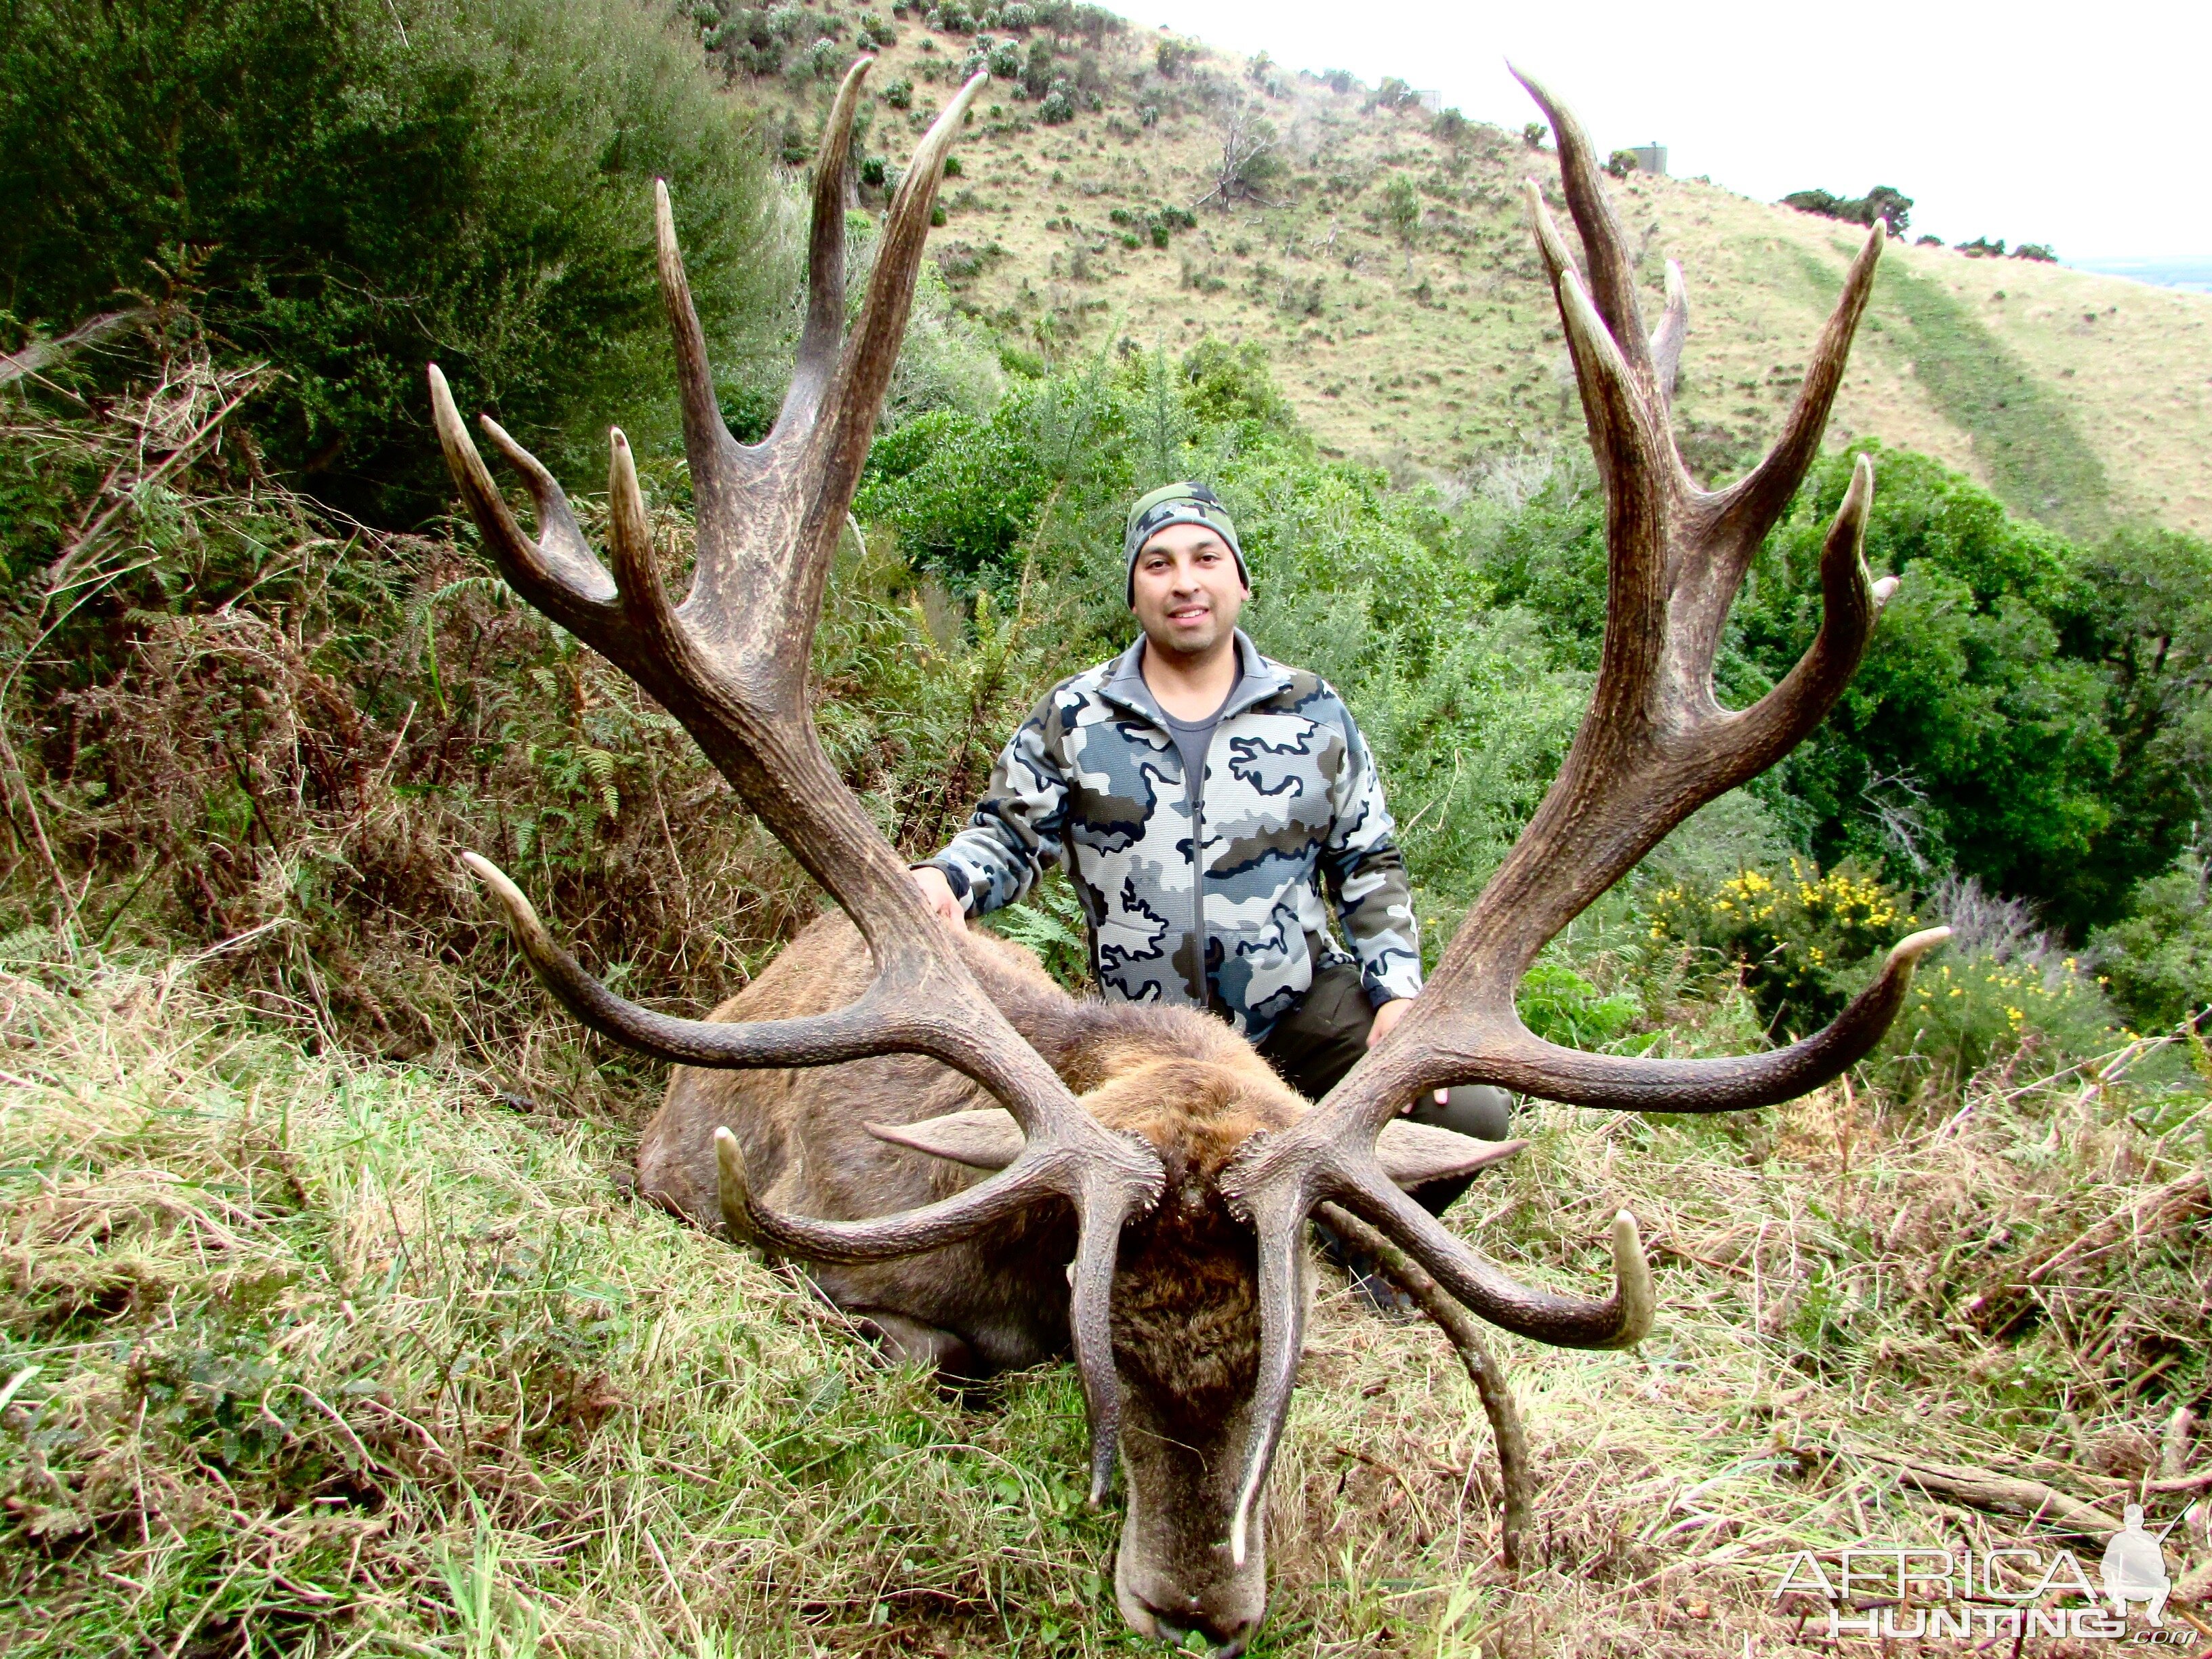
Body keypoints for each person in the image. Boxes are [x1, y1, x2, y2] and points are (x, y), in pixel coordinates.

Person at [910, 481, 1510, 1309]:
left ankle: (1338, 1246)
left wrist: (1399, 994)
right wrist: (947, 880)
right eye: (1157, 564)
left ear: (1240, 582)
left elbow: (1367, 860)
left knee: (1466, 1110)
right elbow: (1010, 838)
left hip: (1296, 1013)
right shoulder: (1075, 717)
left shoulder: (1314, 711)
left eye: (1205, 559)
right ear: (1135, 590)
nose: (1183, 581)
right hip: (1147, 1044)